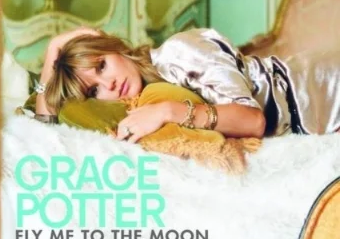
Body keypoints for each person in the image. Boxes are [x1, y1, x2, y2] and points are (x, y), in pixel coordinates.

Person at [34, 26, 340, 141]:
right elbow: (45, 136)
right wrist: (52, 53)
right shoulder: (138, 104)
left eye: (102, 65)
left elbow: (253, 120)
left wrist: (168, 111)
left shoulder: (180, 52)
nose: (110, 84)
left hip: (323, 90)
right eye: (94, 89)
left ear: (115, 48)